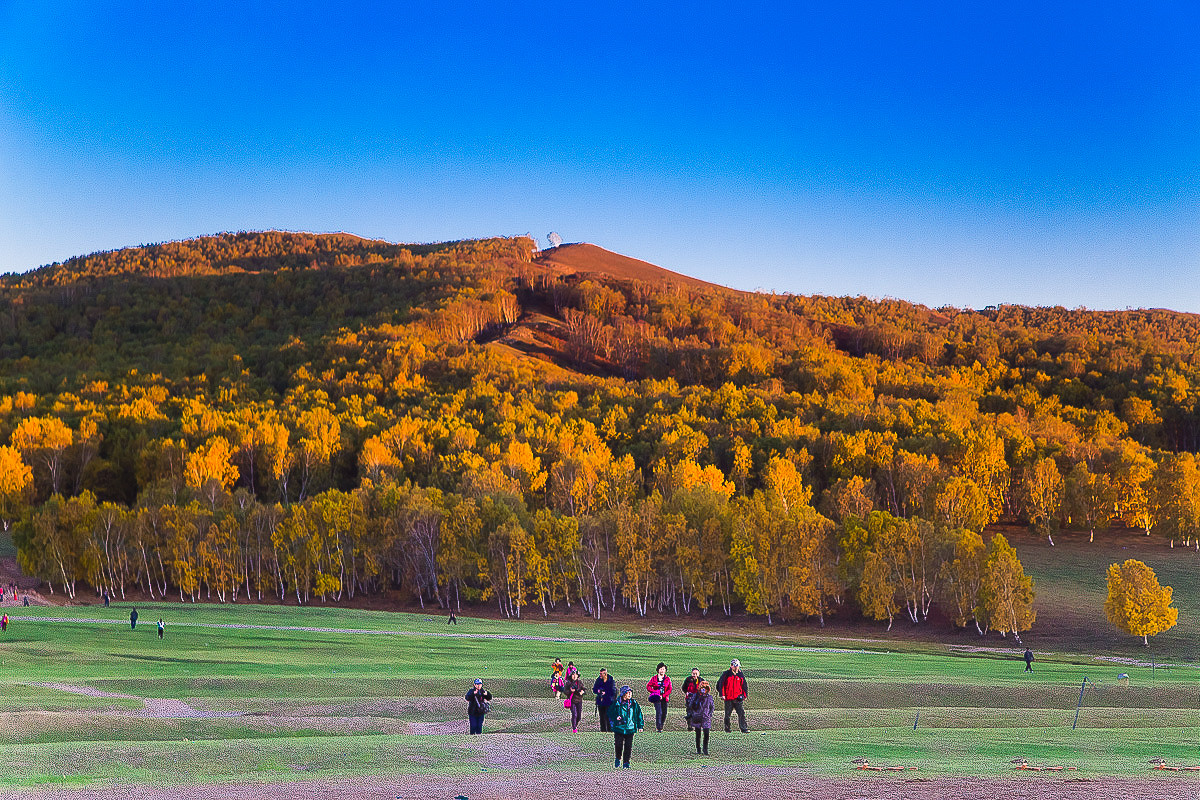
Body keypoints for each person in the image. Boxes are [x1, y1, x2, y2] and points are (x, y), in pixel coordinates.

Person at [607, 685, 644, 768]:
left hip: (630, 728)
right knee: (618, 745)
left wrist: (640, 726)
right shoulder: (616, 703)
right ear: (623, 694)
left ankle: (626, 763)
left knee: (628, 746)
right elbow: (610, 713)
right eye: (628, 693)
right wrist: (616, 717)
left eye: (630, 693)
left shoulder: (634, 703)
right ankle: (618, 758)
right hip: (619, 728)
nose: (630, 695)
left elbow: (639, 714)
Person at [716, 658, 748, 733]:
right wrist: (722, 694)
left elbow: (744, 685)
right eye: (735, 666)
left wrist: (744, 695)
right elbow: (720, 684)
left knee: (741, 713)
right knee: (727, 714)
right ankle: (727, 728)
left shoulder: (740, 674)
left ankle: (744, 728)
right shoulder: (726, 674)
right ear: (731, 666)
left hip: (738, 698)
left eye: (737, 666)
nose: (736, 667)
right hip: (728, 698)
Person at [687, 680, 714, 755]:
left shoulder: (709, 697)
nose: (703, 690)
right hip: (697, 717)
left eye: (705, 688)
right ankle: (698, 749)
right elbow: (690, 705)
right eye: (702, 688)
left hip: (706, 717)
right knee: (698, 734)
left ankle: (705, 750)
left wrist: (709, 714)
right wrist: (694, 713)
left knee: (706, 734)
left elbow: (712, 707)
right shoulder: (696, 696)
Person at [646, 662, 673, 732]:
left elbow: (670, 689)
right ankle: (659, 727)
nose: (662, 670)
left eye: (663, 669)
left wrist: (663, 695)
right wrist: (655, 692)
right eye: (661, 669)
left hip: (664, 698)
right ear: (658, 670)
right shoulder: (654, 678)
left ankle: (661, 724)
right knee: (659, 712)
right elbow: (648, 686)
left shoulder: (667, 679)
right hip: (656, 697)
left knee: (664, 712)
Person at [593, 667, 616, 732]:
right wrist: (598, 691)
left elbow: (613, 691)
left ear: (605, 674)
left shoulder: (611, 680)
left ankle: (609, 730)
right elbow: (594, 689)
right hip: (600, 701)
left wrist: (605, 692)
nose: (600, 675)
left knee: (608, 716)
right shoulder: (598, 680)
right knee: (602, 717)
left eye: (601, 674)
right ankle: (603, 730)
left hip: (608, 701)